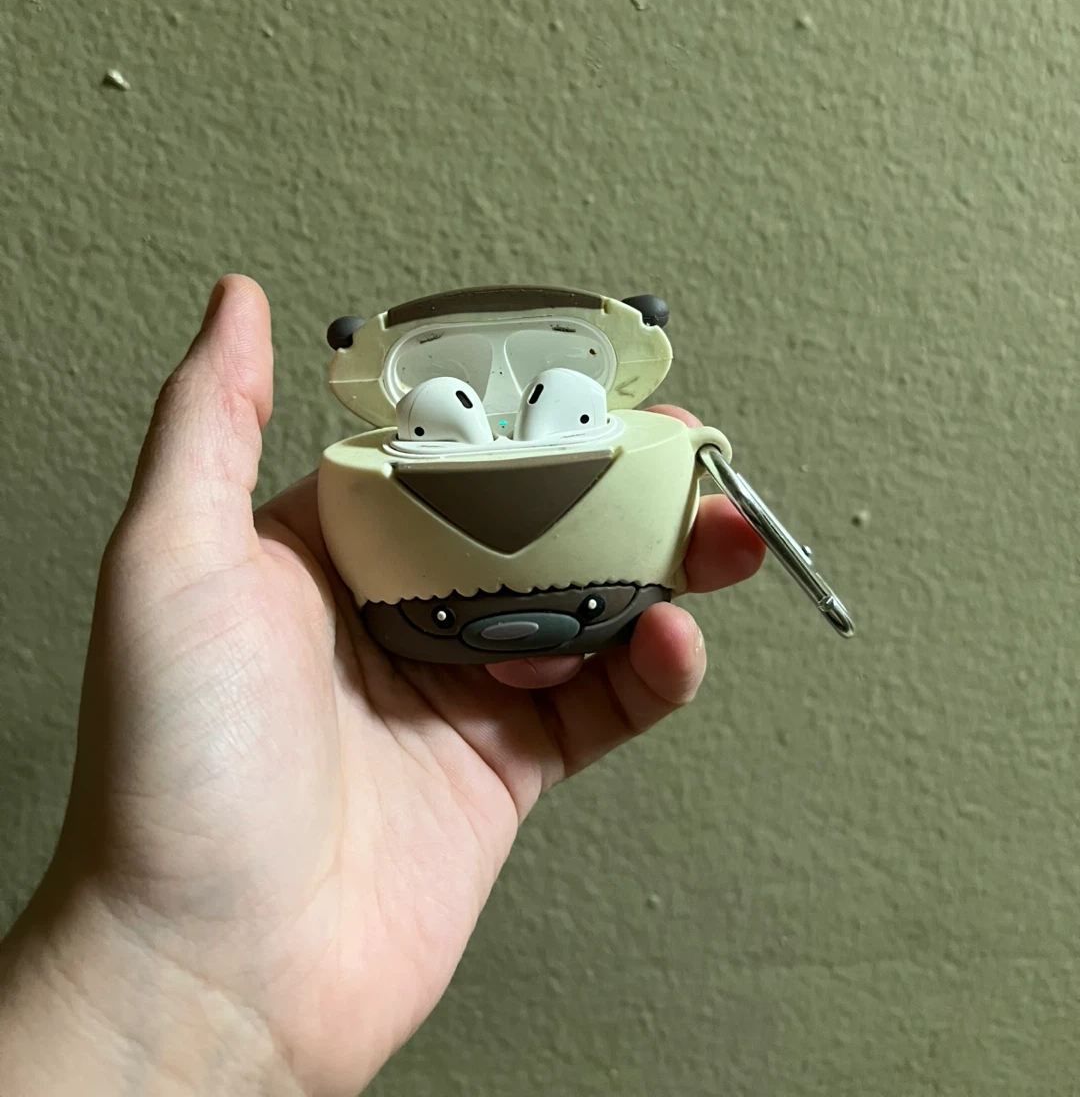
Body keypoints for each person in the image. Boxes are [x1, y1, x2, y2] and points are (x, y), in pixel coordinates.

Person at [0, 276, 764, 1096]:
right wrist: (177, 961)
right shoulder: (364, 478)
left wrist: (159, 986)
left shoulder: (641, 451)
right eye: (451, 418)